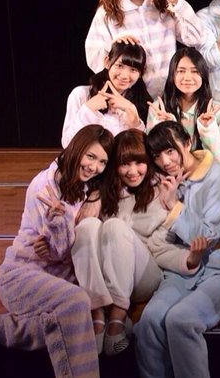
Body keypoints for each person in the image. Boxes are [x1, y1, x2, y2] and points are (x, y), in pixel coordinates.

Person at [0, 125, 113, 377]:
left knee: (69, 320)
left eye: (102, 162)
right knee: (77, 303)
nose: (94, 167)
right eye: (90, 156)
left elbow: (62, 250)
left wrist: (96, 198)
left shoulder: (86, 186)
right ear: (76, 149)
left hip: (59, 275)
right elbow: (58, 251)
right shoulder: (45, 187)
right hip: (22, 274)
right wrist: (62, 221)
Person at [134, 121, 220, 378]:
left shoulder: (218, 178)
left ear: (188, 143)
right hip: (182, 267)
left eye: (170, 151)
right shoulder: (166, 180)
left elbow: (207, 237)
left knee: (180, 320)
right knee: (150, 321)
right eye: (157, 156)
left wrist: (174, 206)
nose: (165, 161)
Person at [71, 129, 165, 356]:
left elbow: (163, 242)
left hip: (145, 272)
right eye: (124, 164)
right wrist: (97, 195)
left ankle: (117, 318)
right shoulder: (104, 190)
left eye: (139, 162)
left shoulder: (162, 187)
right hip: (109, 277)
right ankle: (97, 314)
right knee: (87, 226)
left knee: (114, 226)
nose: (132, 171)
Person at [85, 0, 207, 99]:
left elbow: (197, 38)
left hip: (170, 97)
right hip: (134, 99)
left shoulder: (161, 4)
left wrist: (177, 2)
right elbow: (93, 57)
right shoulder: (109, 11)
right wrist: (113, 46)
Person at [147, 47, 220, 166]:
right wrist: (165, 129)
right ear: (172, 74)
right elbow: (153, 157)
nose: (187, 78)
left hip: (207, 175)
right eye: (181, 71)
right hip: (170, 175)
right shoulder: (158, 109)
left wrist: (208, 129)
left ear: (203, 75)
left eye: (195, 71)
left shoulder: (217, 111)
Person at [63, 42, 151, 147]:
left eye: (133, 70)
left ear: (141, 73)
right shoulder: (81, 94)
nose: (124, 76)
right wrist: (89, 108)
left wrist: (133, 117)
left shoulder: (143, 103)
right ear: (107, 62)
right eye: (119, 66)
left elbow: (141, 151)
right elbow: (67, 143)